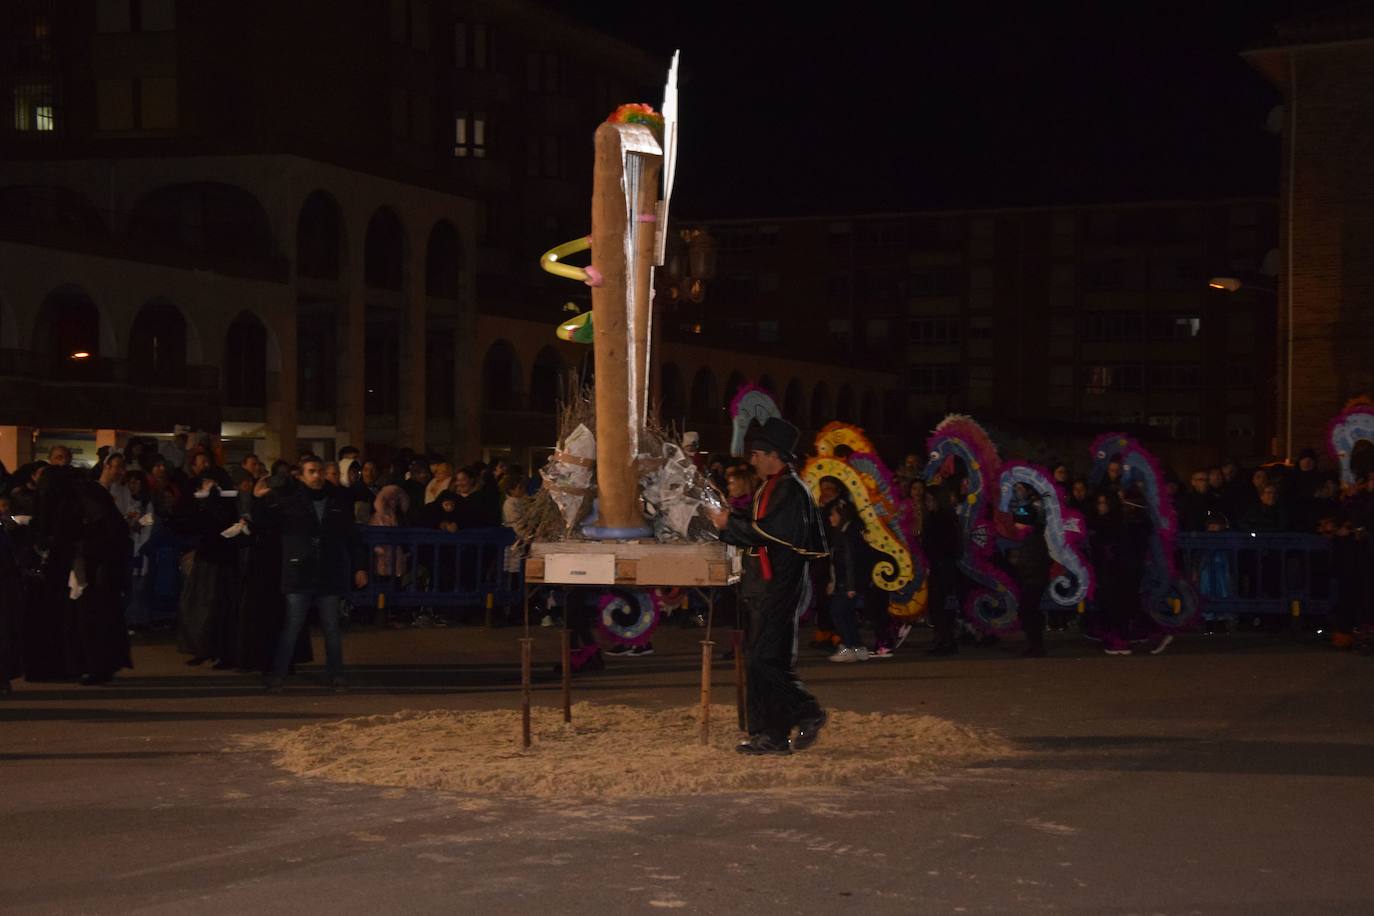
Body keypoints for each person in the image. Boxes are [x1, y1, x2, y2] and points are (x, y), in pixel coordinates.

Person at [708, 417, 829, 755]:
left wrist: (727, 524)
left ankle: (806, 711)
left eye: (758, 453)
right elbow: (762, 525)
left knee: (763, 660)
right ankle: (771, 735)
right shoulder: (775, 486)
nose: (753, 459)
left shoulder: (788, 489)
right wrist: (732, 519)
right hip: (766, 586)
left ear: (775, 455)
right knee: (764, 660)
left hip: (777, 586)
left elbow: (769, 533)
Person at [254, 457, 368, 692]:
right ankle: (279, 675)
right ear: (302, 475)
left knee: (331, 627)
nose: (316, 476)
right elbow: (264, 522)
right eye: (311, 472)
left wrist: (360, 566)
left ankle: (336, 675)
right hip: (299, 571)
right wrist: (258, 500)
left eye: (319, 472)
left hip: (329, 571)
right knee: (293, 625)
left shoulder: (337, 500)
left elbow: (353, 537)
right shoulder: (290, 501)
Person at [1007, 483, 1051, 657]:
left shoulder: (1034, 539)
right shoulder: (1031, 538)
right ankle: (1034, 644)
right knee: (1029, 610)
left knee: (1028, 610)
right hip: (1031, 577)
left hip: (1034, 578)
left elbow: (1034, 561)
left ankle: (1036, 645)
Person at [825, 499, 868, 662]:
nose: (830, 518)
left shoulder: (847, 533)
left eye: (833, 514)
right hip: (846, 581)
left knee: (838, 613)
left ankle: (848, 646)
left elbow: (849, 561)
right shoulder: (848, 531)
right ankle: (857, 647)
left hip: (846, 582)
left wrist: (850, 585)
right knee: (847, 614)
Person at [922, 485, 962, 656]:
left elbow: (946, 544)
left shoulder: (943, 518)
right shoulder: (935, 517)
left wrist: (936, 558)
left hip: (943, 565)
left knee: (940, 605)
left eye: (931, 500)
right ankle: (944, 638)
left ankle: (946, 640)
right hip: (939, 564)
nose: (928, 503)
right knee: (938, 605)